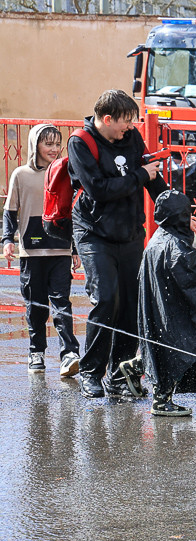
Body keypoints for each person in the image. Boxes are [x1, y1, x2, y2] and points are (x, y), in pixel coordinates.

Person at [68, 89, 167, 399]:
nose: (130, 126)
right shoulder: (80, 143)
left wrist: (176, 214)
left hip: (129, 232)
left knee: (129, 304)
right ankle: (90, 372)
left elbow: (153, 178)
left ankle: (119, 374)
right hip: (94, 232)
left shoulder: (132, 138)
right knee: (107, 298)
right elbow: (98, 189)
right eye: (125, 121)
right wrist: (139, 175)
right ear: (106, 119)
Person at [2, 123, 81, 377]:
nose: (54, 149)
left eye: (57, 144)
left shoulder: (66, 173)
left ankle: (69, 353)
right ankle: (36, 351)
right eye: (48, 144)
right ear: (35, 145)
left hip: (60, 250)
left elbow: (74, 213)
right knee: (36, 306)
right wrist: (7, 240)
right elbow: (10, 211)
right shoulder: (21, 175)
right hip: (32, 252)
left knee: (61, 303)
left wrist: (75, 248)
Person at [135, 190, 196, 417]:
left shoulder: (159, 237)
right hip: (172, 312)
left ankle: (132, 368)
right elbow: (193, 282)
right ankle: (161, 400)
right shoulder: (176, 246)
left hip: (157, 307)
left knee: (158, 347)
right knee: (177, 349)